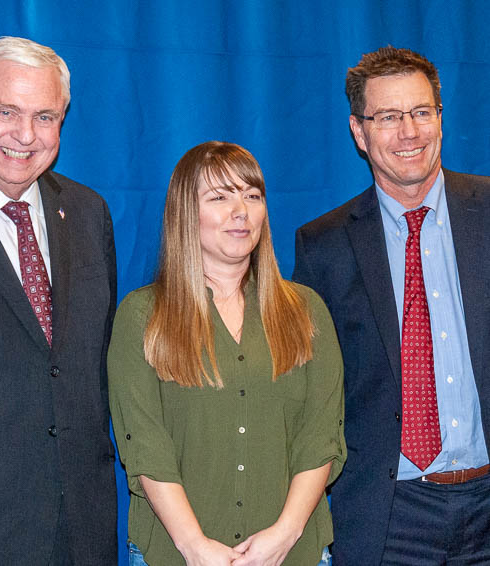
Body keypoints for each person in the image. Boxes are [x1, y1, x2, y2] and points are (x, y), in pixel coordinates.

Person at [293, 46, 490, 565]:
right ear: (359, 132)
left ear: (440, 120)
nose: (410, 132)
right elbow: (308, 395)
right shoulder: (323, 246)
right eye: (388, 117)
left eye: (422, 112)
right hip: (388, 516)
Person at [0, 37, 117, 565]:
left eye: (45, 116)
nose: (25, 136)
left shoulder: (86, 212)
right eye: (6, 111)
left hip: (80, 533)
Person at [108, 141, 345, 566]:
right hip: (174, 555)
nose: (241, 211)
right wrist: (194, 546)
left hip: (294, 554)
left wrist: (284, 535)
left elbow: (321, 437)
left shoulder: (306, 312)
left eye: (252, 196)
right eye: (219, 197)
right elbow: (145, 446)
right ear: (185, 212)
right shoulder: (142, 317)